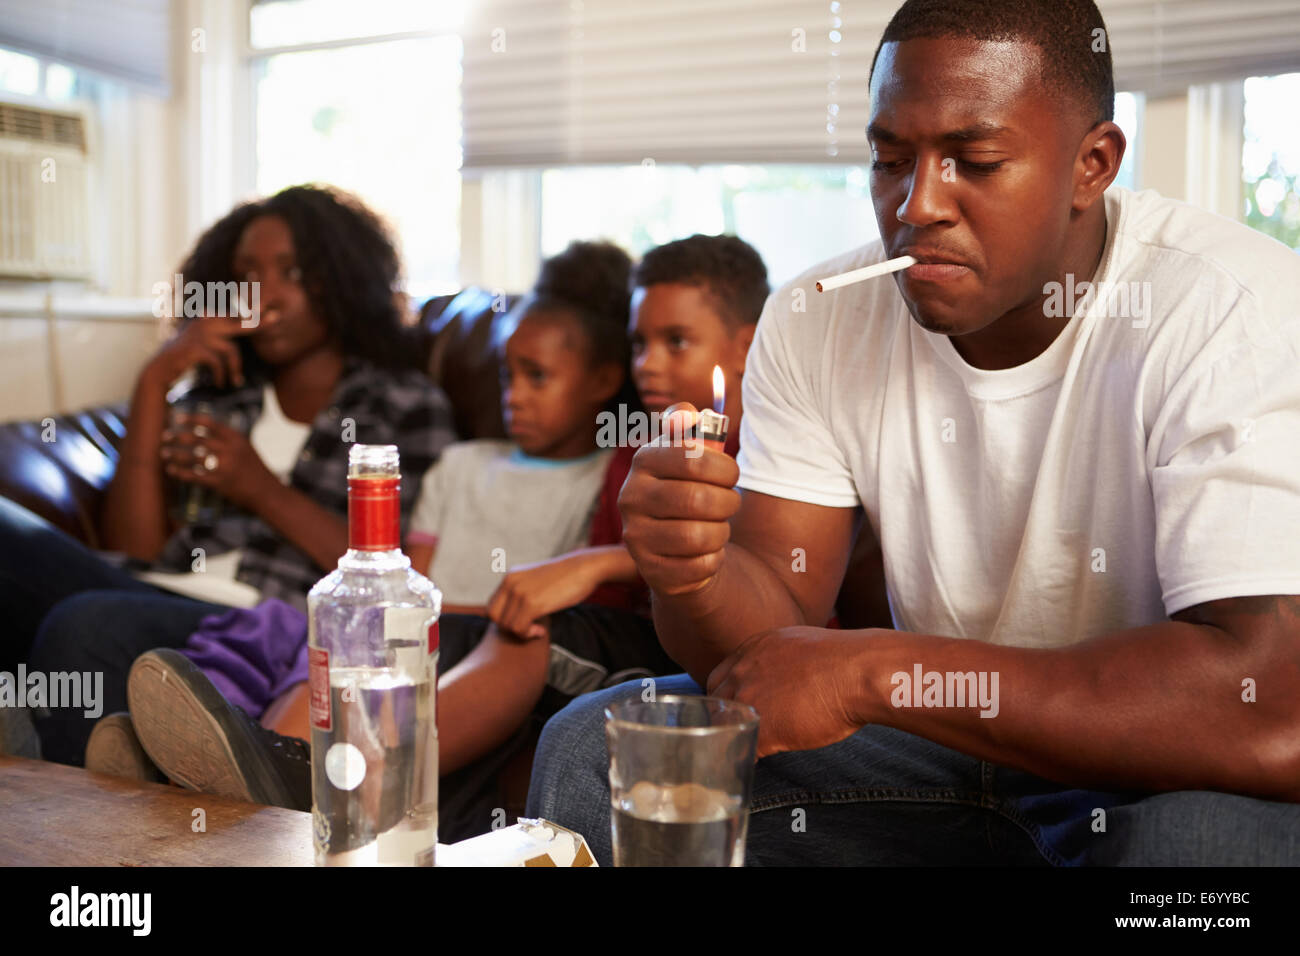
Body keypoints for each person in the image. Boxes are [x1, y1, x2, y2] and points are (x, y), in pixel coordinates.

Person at [525, 0, 1300, 866]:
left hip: (1154, 765)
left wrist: (874, 673)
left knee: (1208, 847)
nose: (917, 204)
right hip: (936, 750)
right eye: (890, 159)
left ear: (1092, 164)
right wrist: (688, 573)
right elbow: (764, 651)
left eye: (975, 160)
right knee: (597, 750)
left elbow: (1267, 705)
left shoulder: (1232, 308)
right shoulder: (820, 318)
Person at [108, 235, 774, 842]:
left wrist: (588, 564)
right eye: (638, 344)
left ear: (745, 345)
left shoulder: (768, 449)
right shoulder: (631, 451)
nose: (648, 366)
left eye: (675, 342)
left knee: (522, 629)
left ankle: (300, 779)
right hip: (569, 624)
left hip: (640, 644)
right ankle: (264, 761)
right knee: (336, 637)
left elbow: (737, 562)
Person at [2, 184, 456, 767]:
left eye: (292, 272)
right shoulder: (218, 392)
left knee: (84, 624)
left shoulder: (403, 405)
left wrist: (258, 486)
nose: (263, 292)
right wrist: (154, 381)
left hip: (263, 629)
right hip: (157, 592)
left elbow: (390, 576)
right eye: (247, 273)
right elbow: (130, 548)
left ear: (340, 282)